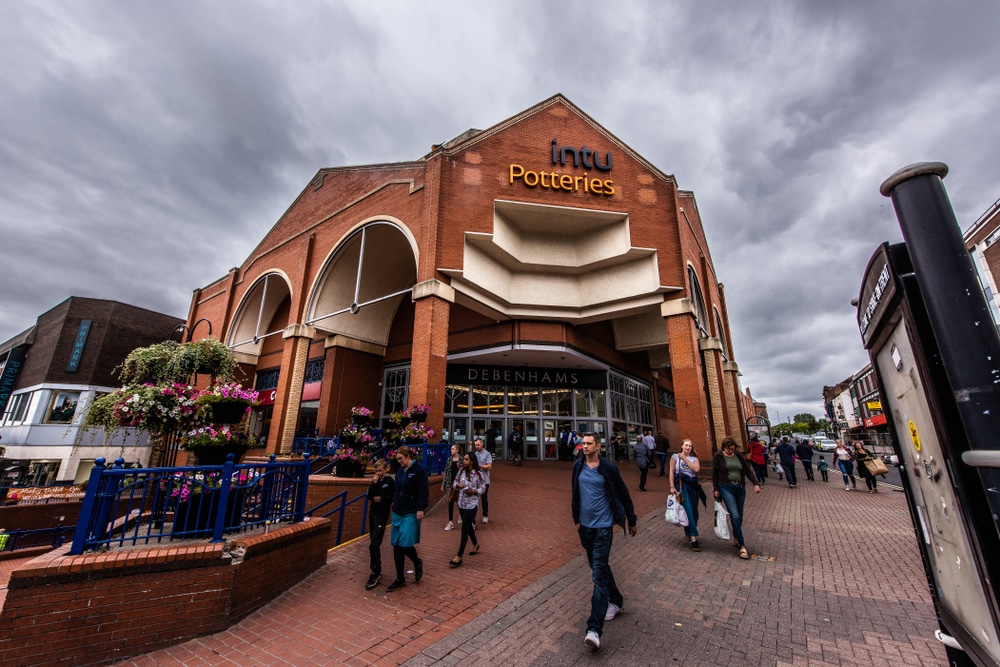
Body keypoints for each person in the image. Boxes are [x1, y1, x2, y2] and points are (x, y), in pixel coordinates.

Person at [571, 432, 637, 651]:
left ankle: (593, 629)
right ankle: (616, 600)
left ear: (598, 446)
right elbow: (575, 494)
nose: (585, 446)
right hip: (585, 528)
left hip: (603, 528)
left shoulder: (608, 468)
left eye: (589, 443)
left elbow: (623, 493)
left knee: (598, 575)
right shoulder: (578, 466)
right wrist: (576, 520)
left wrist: (632, 519)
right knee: (599, 566)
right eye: (583, 443)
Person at [711, 436, 761, 560]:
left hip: (740, 487)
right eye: (728, 449)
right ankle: (742, 546)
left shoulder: (738, 455)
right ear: (724, 448)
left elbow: (747, 470)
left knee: (740, 514)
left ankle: (736, 535)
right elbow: (714, 473)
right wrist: (716, 489)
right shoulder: (718, 456)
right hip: (725, 487)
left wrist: (755, 483)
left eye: (732, 449)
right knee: (735, 514)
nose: (730, 451)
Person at [387, 446, 429, 592]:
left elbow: (423, 490)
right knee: (396, 544)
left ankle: (417, 562)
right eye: (397, 459)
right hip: (398, 510)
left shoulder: (419, 470)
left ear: (408, 456)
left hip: (411, 511)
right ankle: (400, 578)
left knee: (405, 543)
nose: (398, 461)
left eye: (400, 458)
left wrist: (421, 508)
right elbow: (397, 489)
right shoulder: (400, 471)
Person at [667, 439, 706, 551]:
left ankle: (690, 532)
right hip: (681, 486)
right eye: (686, 445)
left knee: (694, 512)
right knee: (688, 510)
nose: (688, 447)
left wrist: (684, 458)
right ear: (681, 446)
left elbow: (696, 469)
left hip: (692, 486)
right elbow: (671, 472)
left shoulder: (694, 459)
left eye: (690, 446)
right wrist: (672, 487)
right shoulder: (675, 457)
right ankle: (693, 539)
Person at [450, 451, 486, 567]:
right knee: (468, 525)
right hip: (461, 503)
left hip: (472, 504)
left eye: (466, 459)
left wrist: (474, 491)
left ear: (471, 461)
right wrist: (458, 485)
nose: (464, 461)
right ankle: (475, 544)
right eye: (464, 459)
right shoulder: (461, 471)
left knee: (465, 527)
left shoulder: (478, 474)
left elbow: (483, 488)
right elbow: (454, 483)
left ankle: (459, 556)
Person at [364, 459, 395, 589]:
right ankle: (377, 565)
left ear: (386, 469)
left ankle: (375, 571)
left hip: (382, 515)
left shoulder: (390, 481)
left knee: (374, 544)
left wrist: (382, 499)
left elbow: (392, 496)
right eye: (376, 471)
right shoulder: (374, 482)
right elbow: (368, 496)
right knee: (373, 542)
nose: (378, 473)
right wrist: (374, 483)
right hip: (373, 514)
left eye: (380, 470)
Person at [441, 443, 462, 530]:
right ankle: (450, 522)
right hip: (450, 483)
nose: (451, 450)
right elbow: (446, 472)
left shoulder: (462, 460)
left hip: (459, 484)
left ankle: (461, 515)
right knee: (450, 501)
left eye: (453, 449)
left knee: (460, 501)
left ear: (457, 450)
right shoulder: (449, 460)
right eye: (451, 449)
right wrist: (443, 484)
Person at [473, 437, 493, 523]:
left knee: (484, 498)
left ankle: (485, 515)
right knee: (474, 499)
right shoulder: (475, 454)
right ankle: (473, 517)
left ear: (482, 444)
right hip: (476, 480)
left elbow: (489, 466)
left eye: (478, 445)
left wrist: (479, 466)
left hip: (485, 480)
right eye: (475, 445)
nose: (477, 446)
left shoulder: (487, 454)